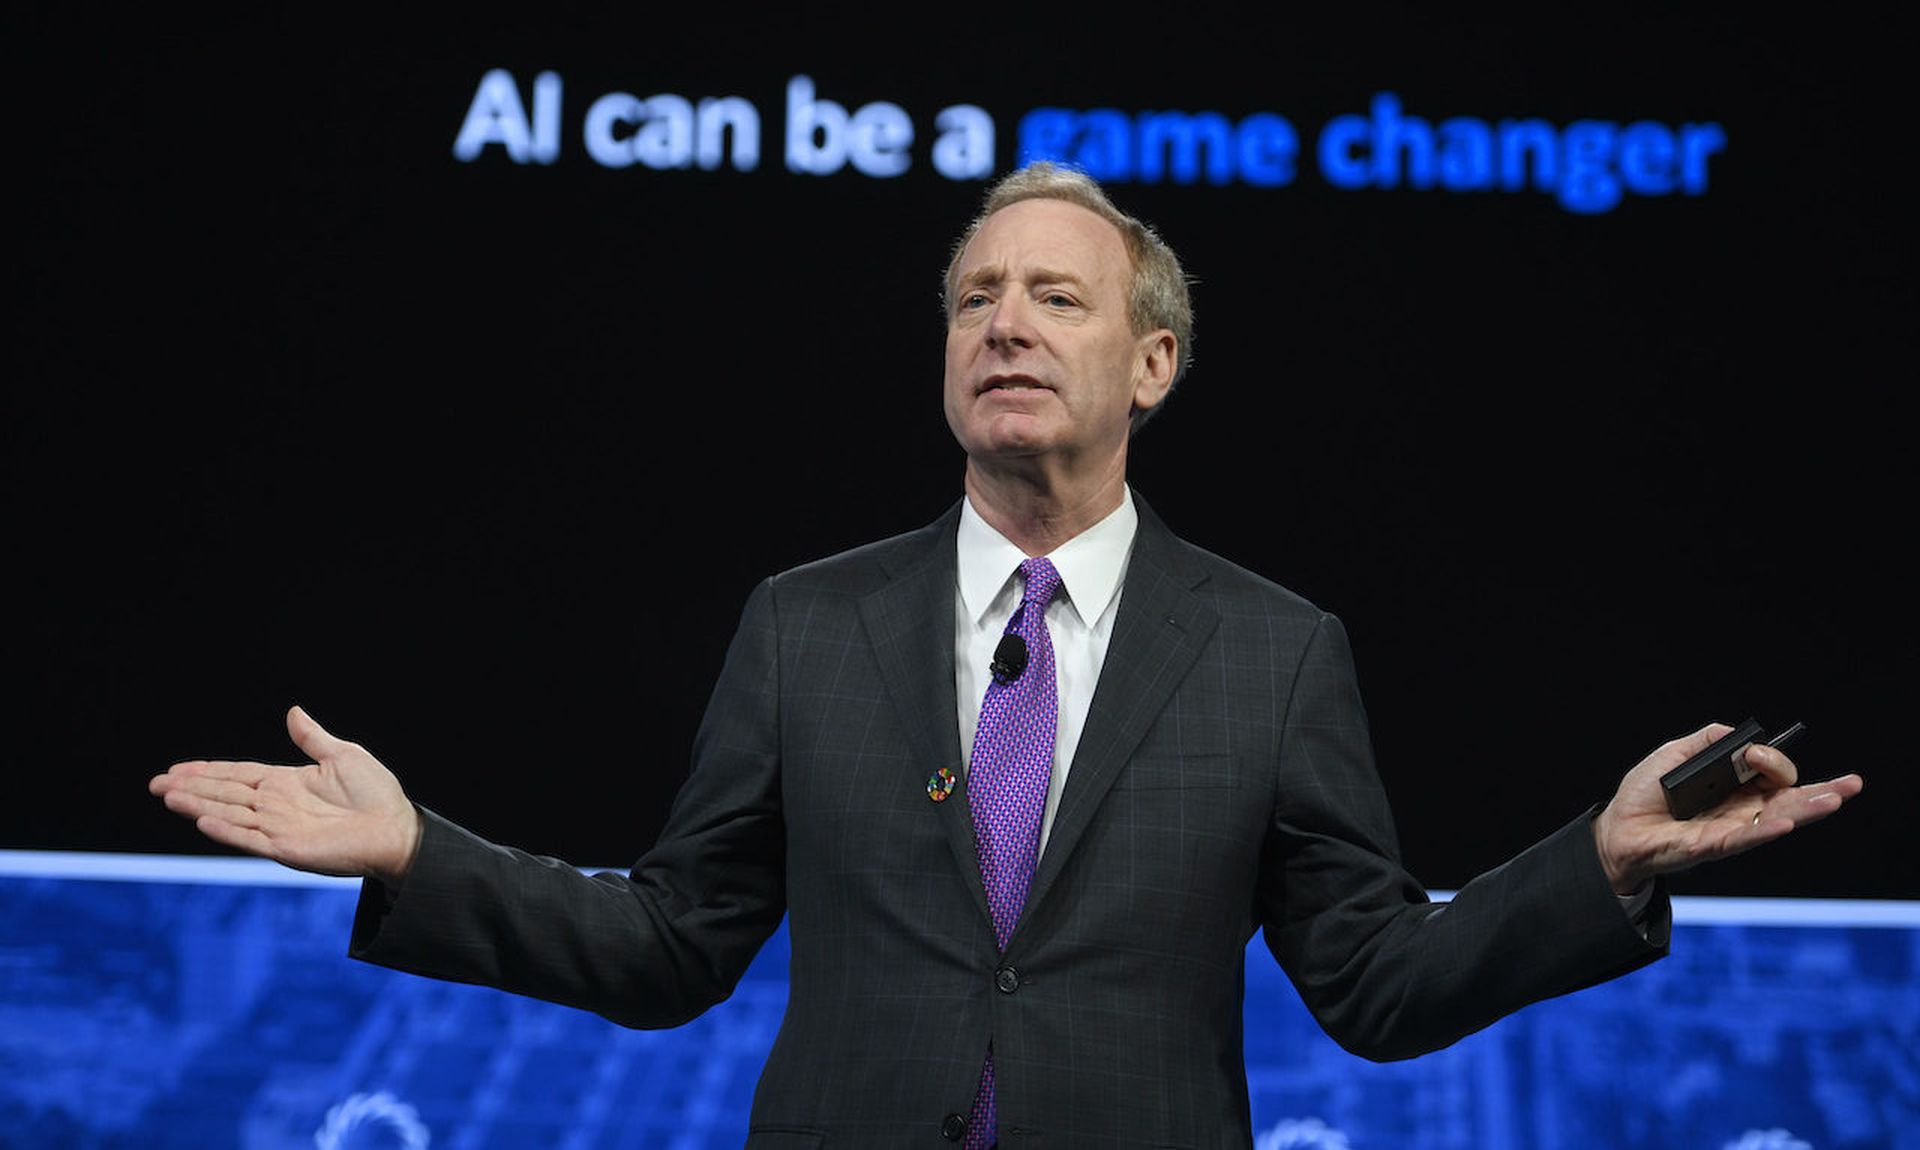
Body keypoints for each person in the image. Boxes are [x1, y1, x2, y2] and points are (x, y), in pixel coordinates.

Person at [150, 163, 1863, 1148]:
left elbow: (1377, 983)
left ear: (1157, 363)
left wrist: (1601, 861)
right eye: (976, 298)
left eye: (1056, 297)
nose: (1006, 326)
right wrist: (414, 851)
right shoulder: (802, 621)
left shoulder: (1274, 651)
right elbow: (674, 943)